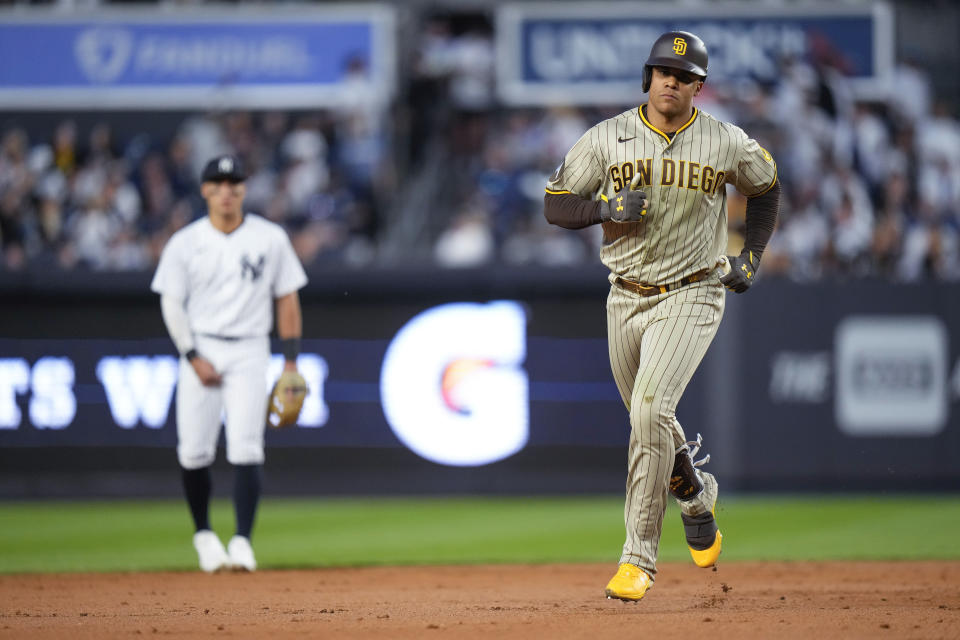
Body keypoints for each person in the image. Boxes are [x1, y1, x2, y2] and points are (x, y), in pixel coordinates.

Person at [544, 31, 780, 601]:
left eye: (683, 75)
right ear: (647, 77)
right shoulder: (607, 138)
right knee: (648, 419)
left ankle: (638, 560)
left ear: (699, 86)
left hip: (694, 290)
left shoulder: (724, 141)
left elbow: (766, 186)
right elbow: (555, 203)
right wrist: (602, 208)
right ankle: (696, 498)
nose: (670, 81)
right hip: (624, 295)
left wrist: (750, 255)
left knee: (650, 408)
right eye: (662, 71)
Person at [151, 155, 308, 572]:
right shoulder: (185, 242)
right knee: (194, 450)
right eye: (218, 184)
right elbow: (171, 303)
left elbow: (287, 296)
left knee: (246, 445)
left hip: (251, 347)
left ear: (243, 189)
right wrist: (191, 355)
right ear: (205, 190)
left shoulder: (270, 238)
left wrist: (291, 362)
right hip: (201, 345)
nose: (226, 191)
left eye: (233, 183)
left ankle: (241, 541)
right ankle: (204, 535)